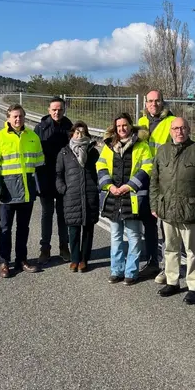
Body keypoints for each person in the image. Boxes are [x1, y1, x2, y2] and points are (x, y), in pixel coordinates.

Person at [149, 117, 195, 305]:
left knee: (193, 250)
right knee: (170, 248)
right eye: (176, 128)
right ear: (170, 131)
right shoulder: (162, 152)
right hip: (167, 208)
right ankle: (172, 281)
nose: (180, 131)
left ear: (189, 130)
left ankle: (194, 286)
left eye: (183, 128)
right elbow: (154, 181)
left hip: (190, 209)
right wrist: (154, 205)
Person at [0, 104, 45, 278]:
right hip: (7, 194)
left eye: (20, 116)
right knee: (5, 228)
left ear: (24, 117)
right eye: (14, 116)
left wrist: (38, 189)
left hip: (27, 192)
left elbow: (40, 165)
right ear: (8, 118)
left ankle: (21, 259)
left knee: (23, 228)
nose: (18, 119)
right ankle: (4, 262)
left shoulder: (33, 137)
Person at [97, 113, 153, 285]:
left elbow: (147, 167)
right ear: (115, 128)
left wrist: (129, 186)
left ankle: (131, 271)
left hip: (133, 197)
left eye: (125, 125)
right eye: (118, 126)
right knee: (116, 236)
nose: (122, 129)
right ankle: (116, 270)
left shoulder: (142, 146)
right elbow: (100, 166)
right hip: (114, 196)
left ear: (131, 126)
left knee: (134, 236)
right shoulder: (108, 146)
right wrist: (110, 186)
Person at [137, 89, 177, 283]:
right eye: (150, 101)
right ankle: (153, 262)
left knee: (167, 224)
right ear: (146, 104)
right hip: (145, 177)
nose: (154, 104)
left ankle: (168, 267)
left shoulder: (172, 122)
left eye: (157, 101)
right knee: (148, 221)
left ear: (163, 102)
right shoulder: (141, 122)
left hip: (165, 179)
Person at [55, 121, 100, 273]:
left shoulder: (93, 151)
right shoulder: (64, 152)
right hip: (71, 196)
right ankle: (74, 259)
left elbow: (99, 171)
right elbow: (58, 174)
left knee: (88, 230)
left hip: (89, 194)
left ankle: (84, 259)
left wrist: (96, 186)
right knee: (73, 230)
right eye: (77, 132)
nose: (79, 134)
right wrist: (63, 189)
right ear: (72, 134)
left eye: (82, 132)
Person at [35, 97, 73, 265]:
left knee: (63, 215)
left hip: (65, 178)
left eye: (60, 109)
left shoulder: (69, 128)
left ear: (64, 110)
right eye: (54, 109)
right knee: (46, 214)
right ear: (49, 110)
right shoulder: (40, 128)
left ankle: (64, 247)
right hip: (46, 178)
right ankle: (45, 248)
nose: (57, 112)